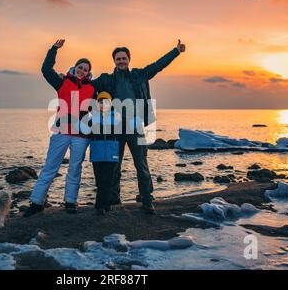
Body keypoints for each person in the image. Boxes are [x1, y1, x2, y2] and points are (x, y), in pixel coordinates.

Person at [92, 39, 186, 214]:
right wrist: (67, 76)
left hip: (136, 128)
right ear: (114, 61)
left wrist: (176, 51)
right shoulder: (106, 79)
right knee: (113, 166)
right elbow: (85, 85)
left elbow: (159, 65)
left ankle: (147, 200)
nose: (121, 61)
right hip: (115, 130)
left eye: (124, 58)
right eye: (118, 58)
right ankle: (113, 200)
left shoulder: (139, 75)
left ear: (129, 59)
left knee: (141, 165)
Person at [24, 39, 95, 217]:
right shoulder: (63, 82)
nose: (82, 71)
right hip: (61, 133)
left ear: (88, 73)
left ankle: (70, 202)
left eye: (85, 70)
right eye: (80, 67)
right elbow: (46, 70)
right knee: (50, 168)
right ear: (75, 67)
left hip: (81, 135)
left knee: (75, 168)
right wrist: (54, 49)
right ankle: (36, 202)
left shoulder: (92, 87)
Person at [79, 91, 122, 215]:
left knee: (107, 180)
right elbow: (85, 130)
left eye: (106, 102)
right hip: (97, 155)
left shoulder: (116, 117)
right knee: (99, 181)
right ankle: (107, 203)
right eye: (100, 102)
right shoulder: (93, 119)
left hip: (111, 154)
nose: (103, 104)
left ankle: (100, 206)